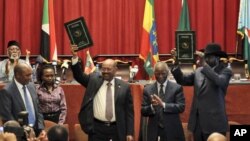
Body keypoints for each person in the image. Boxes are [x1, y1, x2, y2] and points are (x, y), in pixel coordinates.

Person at [70, 45, 134, 141]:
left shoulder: (124, 87)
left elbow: (129, 112)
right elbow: (79, 76)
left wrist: (129, 132)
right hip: (97, 129)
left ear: (115, 70)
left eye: (108, 69)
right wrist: (75, 57)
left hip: (116, 129)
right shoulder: (93, 80)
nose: (105, 71)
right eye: (103, 68)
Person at [171, 43, 232, 141]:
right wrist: (176, 63)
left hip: (215, 123)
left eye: (209, 57)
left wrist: (204, 65)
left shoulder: (225, 71)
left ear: (217, 58)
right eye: (205, 57)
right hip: (198, 123)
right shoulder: (199, 71)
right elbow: (182, 80)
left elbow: (219, 81)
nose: (206, 59)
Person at [141, 62, 185, 141]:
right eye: (158, 74)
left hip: (172, 129)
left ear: (168, 73)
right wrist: (152, 107)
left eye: (163, 73)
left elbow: (181, 107)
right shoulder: (147, 89)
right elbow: (143, 111)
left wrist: (164, 105)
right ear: (154, 73)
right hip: (154, 131)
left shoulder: (176, 88)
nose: (160, 76)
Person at [0, 62, 46, 138]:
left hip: (36, 132)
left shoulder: (31, 86)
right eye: (27, 75)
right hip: (19, 135)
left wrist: (41, 129)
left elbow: (38, 109)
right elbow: (7, 117)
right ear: (18, 75)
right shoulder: (7, 91)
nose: (30, 78)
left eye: (31, 74)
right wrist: (24, 131)